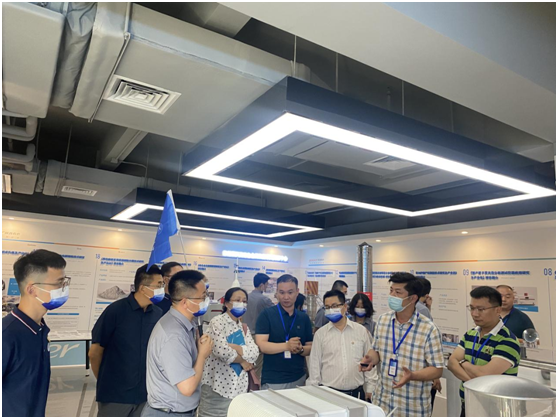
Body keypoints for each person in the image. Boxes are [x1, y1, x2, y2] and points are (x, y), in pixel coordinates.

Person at [359, 272, 444, 417]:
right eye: (391, 290)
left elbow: (437, 370)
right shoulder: (383, 321)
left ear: (413, 298)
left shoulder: (429, 329)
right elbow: (377, 351)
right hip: (382, 402)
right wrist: (371, 359)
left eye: (398, 292)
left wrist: (412, 375)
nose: (392, 295)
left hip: (411, 407)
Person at [89, 264, 165, 417]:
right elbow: (95, 352)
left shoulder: (157, 313)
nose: (162, 289)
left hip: (146, 394)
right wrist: (105, 381)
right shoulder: (115, 311)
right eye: (159, 285)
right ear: (143, 288)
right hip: (116, 395)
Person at [3, 250, 68, 417]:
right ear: (32, 289)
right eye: (59, 283)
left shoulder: (40, 330)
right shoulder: (7, 335)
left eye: (65, 282)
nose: (64, 288)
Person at [143, 270, 213, 417]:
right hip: (169, 413)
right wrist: (202, 355)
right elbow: (187, 388)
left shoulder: (185, 324)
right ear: (185, 302)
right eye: (203, 297)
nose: (206, 300)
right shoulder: (174, 335)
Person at [448, 286, 520, 417]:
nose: (475, 314)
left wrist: (463, 362)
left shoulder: (508, 340)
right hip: (467, 403)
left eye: (481, 309)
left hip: (496, 409)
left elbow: (485, 374)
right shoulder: (470, 334)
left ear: (497, 310)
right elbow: (452, 363)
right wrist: (473, 383)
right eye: (472, 308)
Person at [198, 287, 259, 416]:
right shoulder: (217, 322)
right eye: (237, 300)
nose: (241, 304)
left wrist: (236, 347)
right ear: (226, 303)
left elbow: (254, 353)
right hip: (217, 388)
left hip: (239, 389)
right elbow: (222, 351)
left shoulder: (243, 327)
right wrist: (242, 360)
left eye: (244, 301)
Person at [309, 290, 375, 401]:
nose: (331, 310)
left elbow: (369, 361)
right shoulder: (320, 334)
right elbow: (315, 366)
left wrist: (370, 388)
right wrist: (315, 392)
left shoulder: (361, 331)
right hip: (329, 394)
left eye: (334, 306)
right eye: (327, 307)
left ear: (344, 307)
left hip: (356, 394)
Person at [255, 274, 313, 389]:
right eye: (282, 292)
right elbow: (261, 345)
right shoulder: (266, 315)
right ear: (276, 292)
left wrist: (300, 349)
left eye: (290, 292)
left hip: (299, 378)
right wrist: (286, 346)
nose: (286, 297)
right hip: (273, 380)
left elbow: (310, 347)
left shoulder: (303, 318)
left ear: (297, 292)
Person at [415, 276, 442, 409]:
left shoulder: (419, 308)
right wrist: (435, 377)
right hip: (424, 370)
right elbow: (427, 339)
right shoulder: (422, 309)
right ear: (427, 294)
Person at [242, 273, 274, 379]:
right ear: (262, 285)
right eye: (266, 284)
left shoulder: (246, 297)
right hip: (257, 337)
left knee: (246, 365)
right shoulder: (264, 300)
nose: (267, 287)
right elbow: (276, 313)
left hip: (244, 336)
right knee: (257, 368)